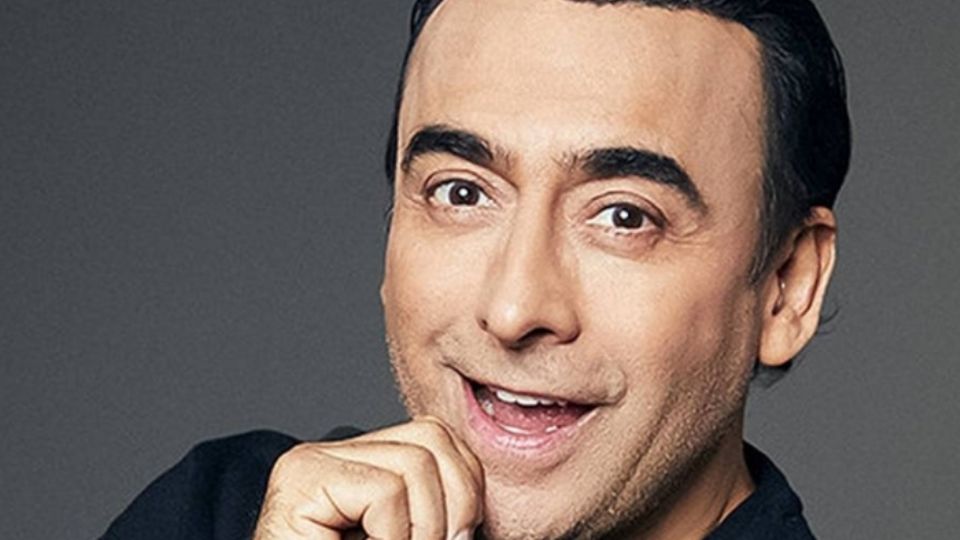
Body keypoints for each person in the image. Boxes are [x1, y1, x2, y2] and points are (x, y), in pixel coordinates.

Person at [103, 0, 850, 538]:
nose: (515, 308)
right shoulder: (224, 514)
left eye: (625, 216)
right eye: (461, 193)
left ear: (788, 288)